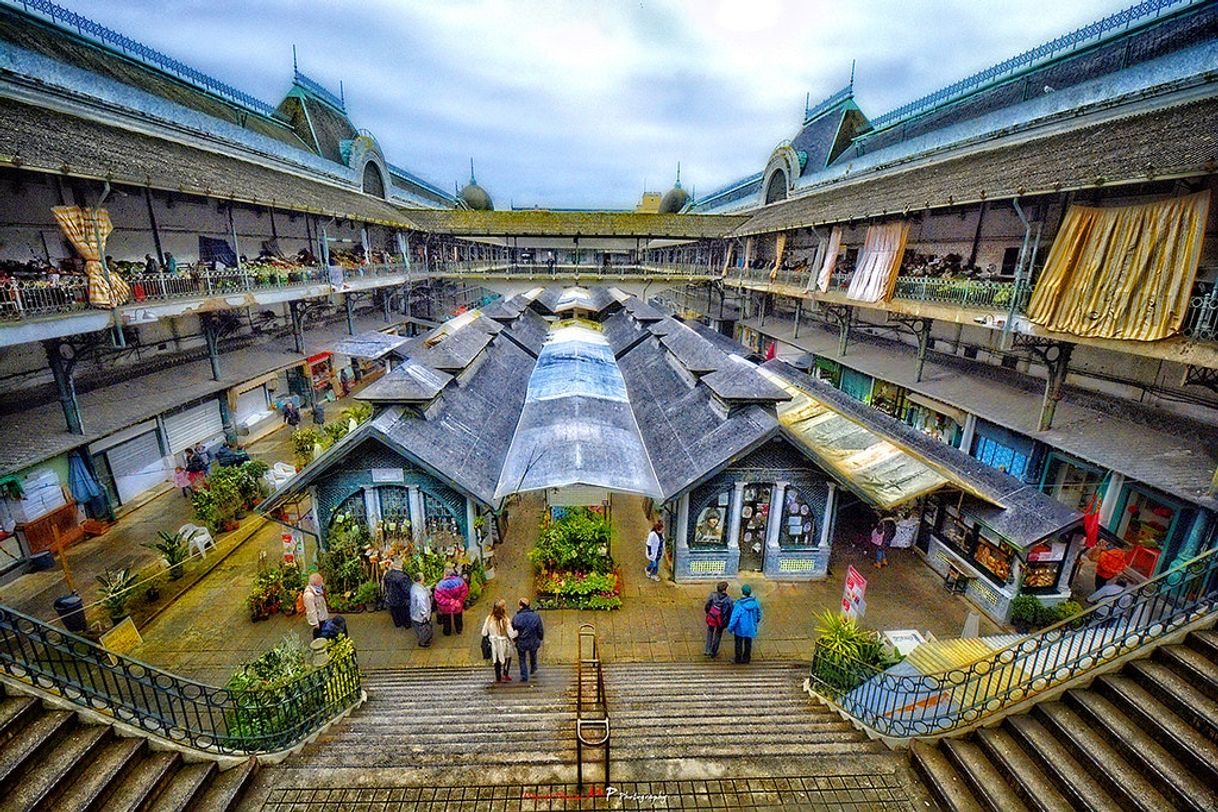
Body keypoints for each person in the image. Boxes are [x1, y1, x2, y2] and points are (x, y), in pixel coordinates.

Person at [482, 598, 518, 683]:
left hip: (493, 643)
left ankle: (498, 676)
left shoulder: (489, 618)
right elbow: (512, 634)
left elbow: (484, 633)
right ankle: (505, 674)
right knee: (508, 657)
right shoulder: (505, 620)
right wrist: (517, 631)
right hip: (503, 644)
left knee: (496, 659)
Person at [727, 583, 762, 664]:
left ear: (742, 592)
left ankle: (738, 659)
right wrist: (754, 622)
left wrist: (730, 628)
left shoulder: (739, 605)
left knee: (738, 643)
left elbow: (734, 618)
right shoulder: (755, 603)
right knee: (748, 643)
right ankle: (746, 658)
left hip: (740, 628)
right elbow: (759, 615)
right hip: (750, 627)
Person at [512, 597, 544, 682]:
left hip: (522, 641)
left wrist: (515, 639)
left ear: (520, 606)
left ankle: (524, 676)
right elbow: (540, 629)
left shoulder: (516, 617)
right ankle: (533, 668)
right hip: (533, 640)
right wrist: (540, 637)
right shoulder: (536, 616)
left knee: (522, 658)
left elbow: (514, 629)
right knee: (533, 654)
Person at [434, 568, 469, 636]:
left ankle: (447, 631)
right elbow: (465, 591)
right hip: (457, 604)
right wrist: (459, 600)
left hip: (446, 607)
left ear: (445, 574)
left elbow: (438, 598)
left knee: (446, 618)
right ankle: (459, 629)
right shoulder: (460, 581)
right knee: (458, 617)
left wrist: (449, 602)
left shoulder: (440, 584)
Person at [703, 581, 733, 658]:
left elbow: (707, 605)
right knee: (718, 634)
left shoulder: (712, 595)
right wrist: (728, 621)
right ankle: (714, 651)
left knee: (710, 632)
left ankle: (707, 650)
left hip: (712, 617)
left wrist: (708, 613)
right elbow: (730, 611)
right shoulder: (728, 600)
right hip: (721, 619)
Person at [382, 558, 411, 629]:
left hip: (391, 598)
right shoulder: (402, 577)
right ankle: (406, 624)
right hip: (401, 600)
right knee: (404, 613)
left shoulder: (388, 574)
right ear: (401, 566)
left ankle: (398, 624)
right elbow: (407, 590)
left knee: (395, 613)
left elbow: (386, 585)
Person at [303, 573, 330, 640]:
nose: (322, 584)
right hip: (318, 619)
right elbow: (311, 611)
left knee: (323, 631)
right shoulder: (309, 595)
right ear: (315, 583)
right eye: (321, 582)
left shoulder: (317, 590)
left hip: (322, 616)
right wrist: (315, 623)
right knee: (318, 634)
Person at [409, 572, 433, 647]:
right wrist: (425, 615)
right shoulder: (420, 592)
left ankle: (423, 639)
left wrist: (427, 589)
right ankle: (423, 642)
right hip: (420, 616)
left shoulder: (414, 586)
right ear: (420, 580)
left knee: (419, 628)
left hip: (414, 614)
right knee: (423, 629)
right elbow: (422, 604)